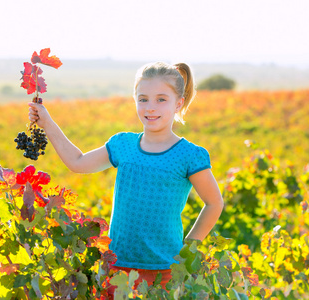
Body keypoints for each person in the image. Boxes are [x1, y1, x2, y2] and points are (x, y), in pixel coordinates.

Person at [28, 61, 224, 297]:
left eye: (161, 99)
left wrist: (189, 250)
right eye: (143, 99)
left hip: (164, 269)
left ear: (178, 103)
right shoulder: (123, 144)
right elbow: (78, 162)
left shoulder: (190, 155)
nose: (150, 107)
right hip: (116, 265)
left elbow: (214, 203)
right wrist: (47, 123)